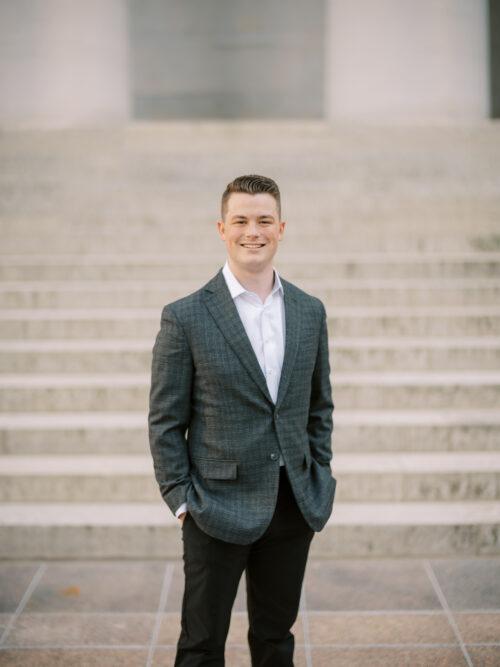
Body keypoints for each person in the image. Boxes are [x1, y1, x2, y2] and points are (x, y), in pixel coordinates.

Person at [148, 174, 336, 666]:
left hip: (292, 502)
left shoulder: (309, 310)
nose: (253, 231)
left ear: (281, 228)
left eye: (264, 220)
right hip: (214, 506)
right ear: (221, 228)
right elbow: (165, 419)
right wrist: (181, 499)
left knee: (276, 639)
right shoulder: (185, 316)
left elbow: (320, 406)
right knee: (201, 644)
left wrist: (317, 471)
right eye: (241, 220)